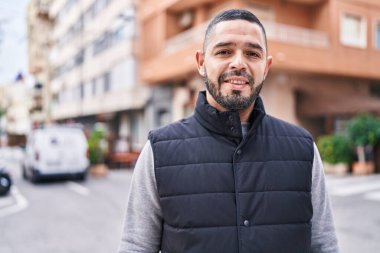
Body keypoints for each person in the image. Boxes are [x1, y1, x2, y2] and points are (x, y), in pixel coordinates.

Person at [118, 9, 339, 253]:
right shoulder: (158, 152)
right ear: (201, 63)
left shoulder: (303, 148)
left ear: (266, 67)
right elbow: (136, 247)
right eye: (224, 52)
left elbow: (324, 245)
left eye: (252, 53)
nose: (239, 63)